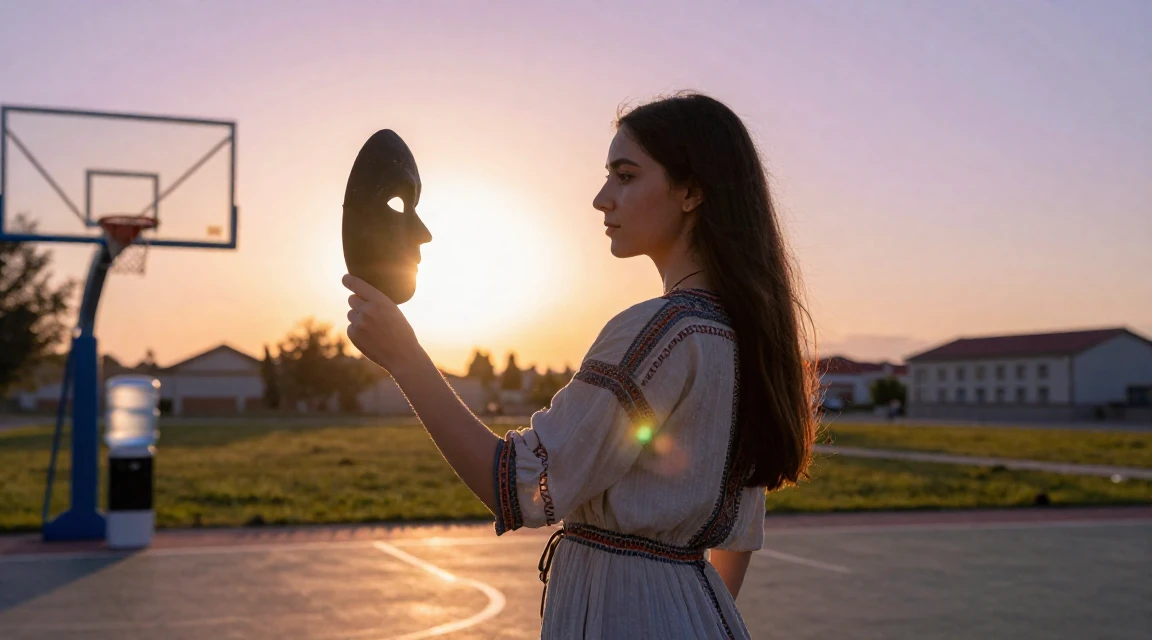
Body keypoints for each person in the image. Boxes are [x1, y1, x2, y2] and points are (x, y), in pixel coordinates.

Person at [343, 92, 817, 639]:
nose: (601, 198)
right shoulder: (745, 339)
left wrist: (404, 357)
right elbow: (736, 542)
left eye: (625, 175)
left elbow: (515, 486)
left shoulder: (658, 330)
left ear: (691, 192)